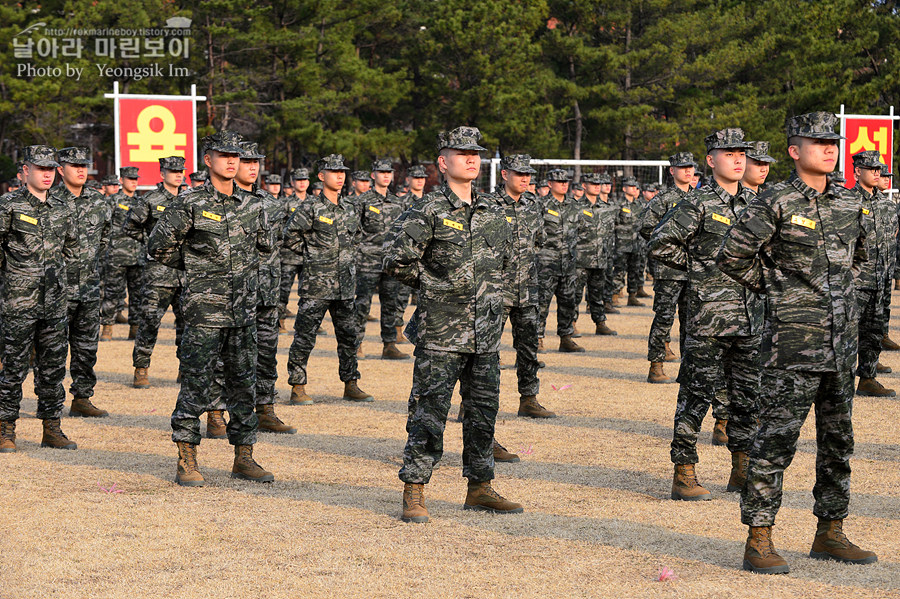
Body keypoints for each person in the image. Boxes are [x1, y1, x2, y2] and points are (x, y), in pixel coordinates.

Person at [718, 111, 877, 574]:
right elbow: (732, 256)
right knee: (777, 441)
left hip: (840, 345)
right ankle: (759, 538)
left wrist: (845, 297)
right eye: (818, 142)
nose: (829, 149)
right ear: (794, 150)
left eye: (834, 142)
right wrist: (779, 292)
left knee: (837, 440)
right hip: (791, 344)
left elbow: (863, 260)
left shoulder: (849, 202)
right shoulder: (776, 200)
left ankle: (830, 530)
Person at [384, 126, 521, 523]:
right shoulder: (428, 210)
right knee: (429, 413)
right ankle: (415, 489)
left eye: (476, 153)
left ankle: (479, 487)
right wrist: (439, 286)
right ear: (442, 163)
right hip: (442, 332)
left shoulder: (496, 210)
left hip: (485, 334)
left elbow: (508, 262)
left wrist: (496, 300)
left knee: (483, 413)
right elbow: (397, 261)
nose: (471, 158)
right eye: (461, 153)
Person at [148, 131, 275, 486]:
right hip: (204, 311)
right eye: (224, 155)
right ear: (208, 160)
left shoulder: (253, 205)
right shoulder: (188, 203)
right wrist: (198, 266)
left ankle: (244, 456)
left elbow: (264, 249)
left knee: (243, 384)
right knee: (196, 383)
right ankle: (186, 457)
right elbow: (157, 246)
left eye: (237, 155)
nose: (232, 161)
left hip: (243, 311)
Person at [650, 128, 763, 502]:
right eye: (727, 152)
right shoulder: (696, 203)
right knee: (696, 395)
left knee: (747, 397)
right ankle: (684, 472)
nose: (736, 158)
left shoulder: (755, 203)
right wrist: (699, 269)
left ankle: (741, 468)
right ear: (711, 159)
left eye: (741, 152)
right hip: (708, 319)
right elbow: (660, 243)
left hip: (750, 318)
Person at [205, 141, 296, 437]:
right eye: (247, 161)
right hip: (231, 294)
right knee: (223, 357)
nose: (253, 167)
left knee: (267, 354)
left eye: (257, 161)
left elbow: (277, 245)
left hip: (266, 291)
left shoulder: (270, 203)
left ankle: (265, 409)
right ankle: (216, 413)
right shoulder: (223, 202)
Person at [0, 146, 78, 452]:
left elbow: (70, 249)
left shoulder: (62, 206)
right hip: (19, 303)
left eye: (51, 169)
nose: (47, 174)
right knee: (14, 368)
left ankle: (51, 427)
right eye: (40, 168)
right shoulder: (9, 204)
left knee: (53, 368)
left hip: (54, 304)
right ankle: (6, 429)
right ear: (26, 170)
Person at [283, 154, 373, 406]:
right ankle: (298, 386)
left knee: (349, 336)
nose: (340, 176)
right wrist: (313, 257)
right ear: (321, 177)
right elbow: (289, 235)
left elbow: (356, 238)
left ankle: (351, 384)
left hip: (345, 285)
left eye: (343, 171)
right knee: (305, 336)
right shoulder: (311, 207)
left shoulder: (351, 209)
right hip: (316, 285)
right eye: (334, 172)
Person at [492, 154, 555, 421]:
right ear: (505, 174)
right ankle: (471, 402)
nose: (525, 179)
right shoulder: (489, 205)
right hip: (496, 291)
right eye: (519, 174)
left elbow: (538, 241)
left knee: (528, 348)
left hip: (527, 288)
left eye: (528, 174)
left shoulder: (533, 205)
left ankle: (528, 399)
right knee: (486, 351)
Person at [53, 147, 113, 418]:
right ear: (60, 169)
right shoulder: (50, 199)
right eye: (73, 165)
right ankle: (51, 403)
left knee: (87, 346)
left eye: (83, 165)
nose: (80, 170)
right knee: (53, 348)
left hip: (88, 286)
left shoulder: (98, 201)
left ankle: (82, 398)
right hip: (57, 288)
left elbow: (104, 237)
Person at [639, 153, 694, 384]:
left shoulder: (700, 198)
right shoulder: (662, 199)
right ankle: (656, 365)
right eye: (682, 167)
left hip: (694, 269)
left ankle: (689, 368)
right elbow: (646, 227)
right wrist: (668, 247)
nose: (687, 171)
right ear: (672, 171)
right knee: (664, 318)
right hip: (669, 270)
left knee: (691, 320)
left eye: (690, 167)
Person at [849, 150, 895, 397]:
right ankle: (839, 383)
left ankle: (867, 378)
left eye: (879, 169)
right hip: (855, 281)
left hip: (881, 280)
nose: (877, 173)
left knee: (874, 332)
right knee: (847, 333)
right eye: (872, 169)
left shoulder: (887, 205)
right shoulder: (847, 203)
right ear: (858, 171)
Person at [353, 158, 409, 360]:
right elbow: (354, 231)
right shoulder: (362, 201)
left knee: (390, 304)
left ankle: (389, 345)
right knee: (362, 305)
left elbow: (403, 232)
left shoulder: (398, 203)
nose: (386, 175)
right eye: (382, 172)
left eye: (389, 172)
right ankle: (356, 345)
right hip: (367, 262)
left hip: (390, 263)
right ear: (373, 175)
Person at [536, 168, 582, 353]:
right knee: (541, 303)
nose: (564, 184)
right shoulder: (541, 205)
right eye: (559, 181)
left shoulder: (574, 205)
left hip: (568, 264)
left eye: (566, 181)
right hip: (547, 264)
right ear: (550, 183)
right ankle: (538, 339)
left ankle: (566, 338)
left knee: (568, 303)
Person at [100, 167, 144, 341]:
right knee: (112, 294)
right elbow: (104, 225)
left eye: (136, 179)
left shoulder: (141, 202)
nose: (134, 182)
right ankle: (107, 329)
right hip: (116, 255)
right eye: (130, 178)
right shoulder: (113, 201)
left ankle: (135, 329)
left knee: (138, 295)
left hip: (138, 256)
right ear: (122, 181)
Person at [575, 172, 618, 336]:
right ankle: (571, 324)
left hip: (601, 259)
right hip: (581, 260)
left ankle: (600, 323)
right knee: (575, 295)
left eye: (598, 184)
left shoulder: (608, 208)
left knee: (597, 294)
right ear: (584, 186)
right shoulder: (576, 207)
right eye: (592, 184)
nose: (596, 187)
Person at [613, 177, 644, 307]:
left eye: (635, 187)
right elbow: (613, 223)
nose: (634, 189)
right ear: (624, 188)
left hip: (636, 244)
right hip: (622, 244)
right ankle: (614, 295)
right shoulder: (618, 204)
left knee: (634, 271)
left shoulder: (639, 205)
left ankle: (632, 296)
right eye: (631, 187)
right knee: (619, 271)